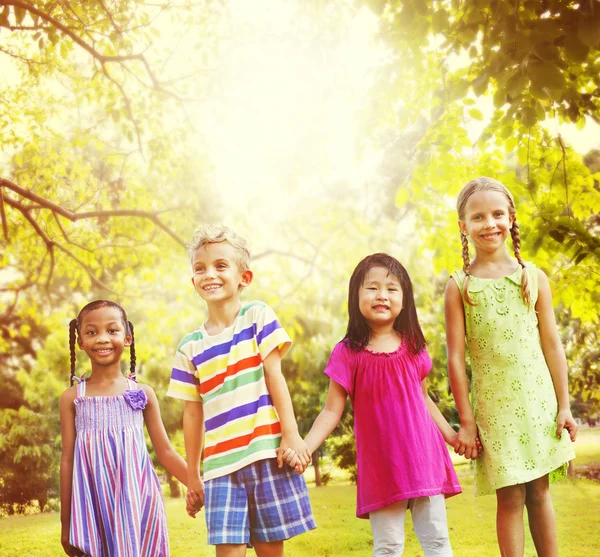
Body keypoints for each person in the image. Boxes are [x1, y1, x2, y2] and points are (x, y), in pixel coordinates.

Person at [284, 253, 466, 557]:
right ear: (356, 295)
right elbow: (331, 410)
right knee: (388, 545)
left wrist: (451, 435)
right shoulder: (347, 353)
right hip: (384, 466)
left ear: (404, 300)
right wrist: (305, 447)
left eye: (392, 289)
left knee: (436, 541)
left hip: (425, 459)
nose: (382, 295)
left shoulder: (413, 346)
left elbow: (423, 399)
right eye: (372, 288)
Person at [444, 177, 577, 557]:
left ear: (511, 218)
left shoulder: (533, 278)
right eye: (479, 216)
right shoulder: (460, 286)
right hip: (495, 409)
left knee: (539, 493)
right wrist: (466, 422)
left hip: (539, 404)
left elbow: (552, 345)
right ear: (464, 225)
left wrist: (564, 405)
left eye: (497, 214)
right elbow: (456, 358)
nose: (490, 223)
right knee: (510, 497)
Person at [167, 224, 316, 557]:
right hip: (220, 467)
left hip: (265, 455)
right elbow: (192, 413)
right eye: (200, 268)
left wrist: (290, 435)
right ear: (194, 283)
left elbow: (274, 375)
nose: (210, 274)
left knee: (268, 550)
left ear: (243, 278)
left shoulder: (257, 316)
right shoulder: (189, 347)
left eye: (221, 266)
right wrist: (193, 474)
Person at [59, 300, 197, 557]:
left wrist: (197, 485)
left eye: (112, 330)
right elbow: (67, 461)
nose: (102, 339)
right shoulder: (72, 398)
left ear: (128, 338)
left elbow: (165, 452)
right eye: (91, 332)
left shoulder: (143, 393)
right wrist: (66, 524)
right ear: (79, 341)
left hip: (138, 503)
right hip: (93, 505)